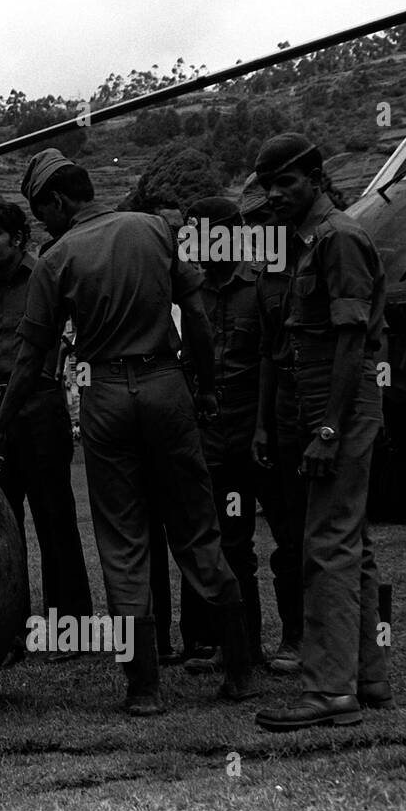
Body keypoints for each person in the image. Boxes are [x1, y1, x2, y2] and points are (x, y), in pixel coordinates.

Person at [0, 148, 256, 715]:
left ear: (58, 201)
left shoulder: (57, 258)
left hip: (105, 396)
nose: (41, 224)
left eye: (40, 211)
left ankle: (145, 689)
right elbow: (197, 318)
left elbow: (30, 360)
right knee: (198, 531)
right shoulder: (154, 228)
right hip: (167, 386)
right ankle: (240, 674)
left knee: (123, 542)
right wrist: (203, 389)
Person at [252, 133, 392, 731]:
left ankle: (330, 692)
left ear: (315, 178)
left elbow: (351, 341)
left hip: (340, 404)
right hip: (327, 403)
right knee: (349, 545)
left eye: (286, 183)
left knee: (327, 546)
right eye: (268, 186)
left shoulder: (338, 239)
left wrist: (329, 428)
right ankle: (368, 676)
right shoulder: (315, 242)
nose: (275, 196)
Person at [0, 197, 92, 661]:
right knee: (4, 526)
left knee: (54, 519)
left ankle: (69, 630)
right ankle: (12, 633)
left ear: (18, 238)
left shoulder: (46, 278)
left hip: (38, 408)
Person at [177, 196, 271, 674]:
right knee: (208, 537)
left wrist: (261, 429)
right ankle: (209, 641)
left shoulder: (261, 286)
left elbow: (270, 362)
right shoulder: (187, 293)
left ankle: (254, 645)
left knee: (246, 544)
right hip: (205, 434)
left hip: (252, 431)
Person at [246, 172, 306, 676]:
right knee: (288, 536)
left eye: (265, 219)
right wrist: (263, 426)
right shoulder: (262, 277)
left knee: (329, 535)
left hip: (322, 407)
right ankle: (296, 634)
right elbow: (268, 354)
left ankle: (353, 644)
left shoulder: (325, 254)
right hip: (280, 413)